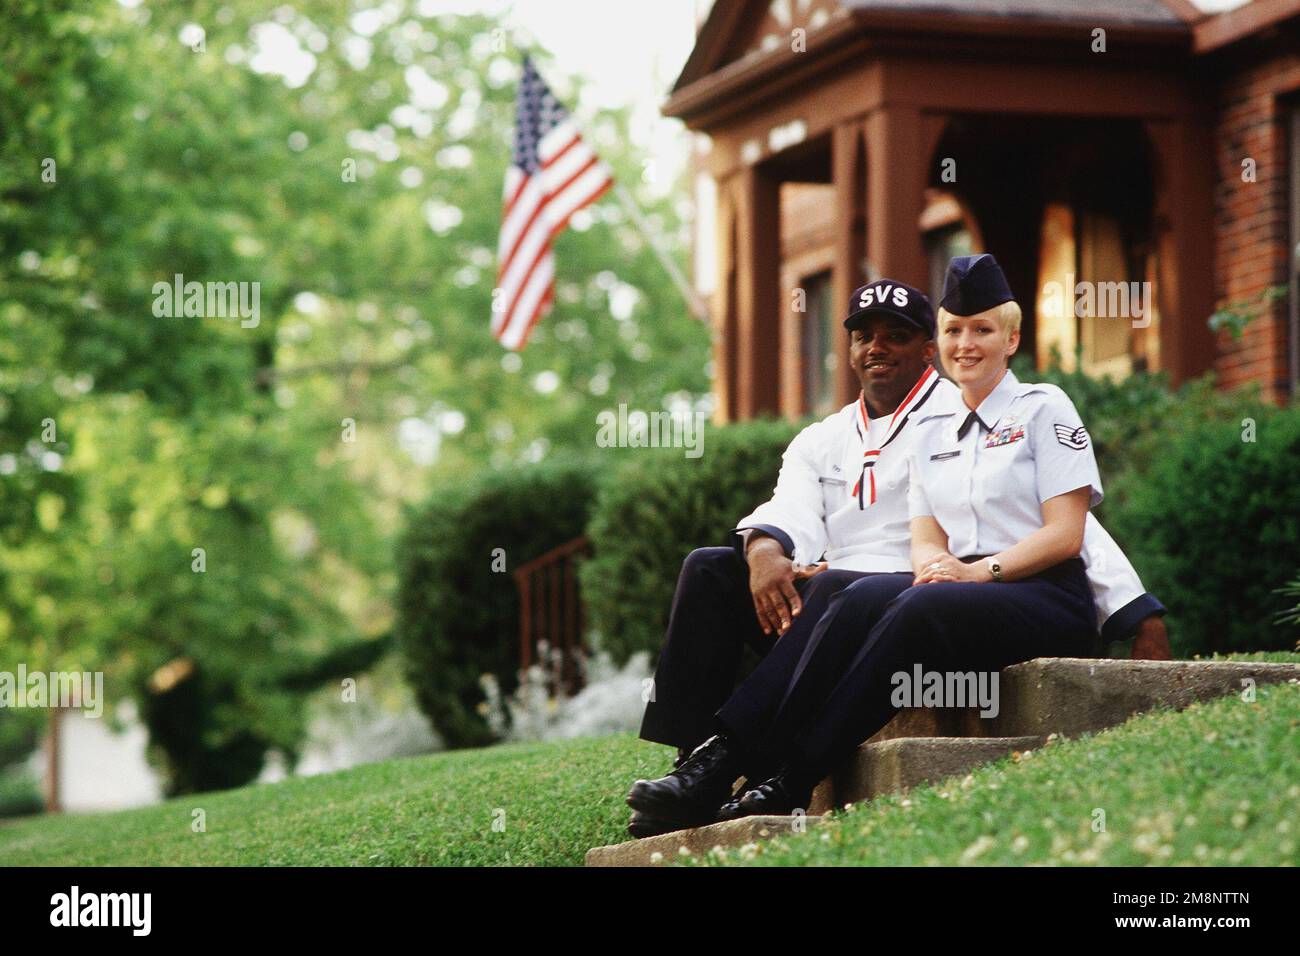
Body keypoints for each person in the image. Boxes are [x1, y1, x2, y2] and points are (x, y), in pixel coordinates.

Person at [628, 263, 1167, 837]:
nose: (877, 348)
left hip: (907, 593)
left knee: (846, 589)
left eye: (897, 335)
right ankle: (696, 766)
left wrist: (1135, 609)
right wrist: (765, 549)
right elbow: (794, 509)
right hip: (860, 598)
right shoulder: (829, 437)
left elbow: (1068, 522)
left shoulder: (975, 407)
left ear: (925, 349)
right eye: (865, 336)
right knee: (712, 567)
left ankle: (757, 765)